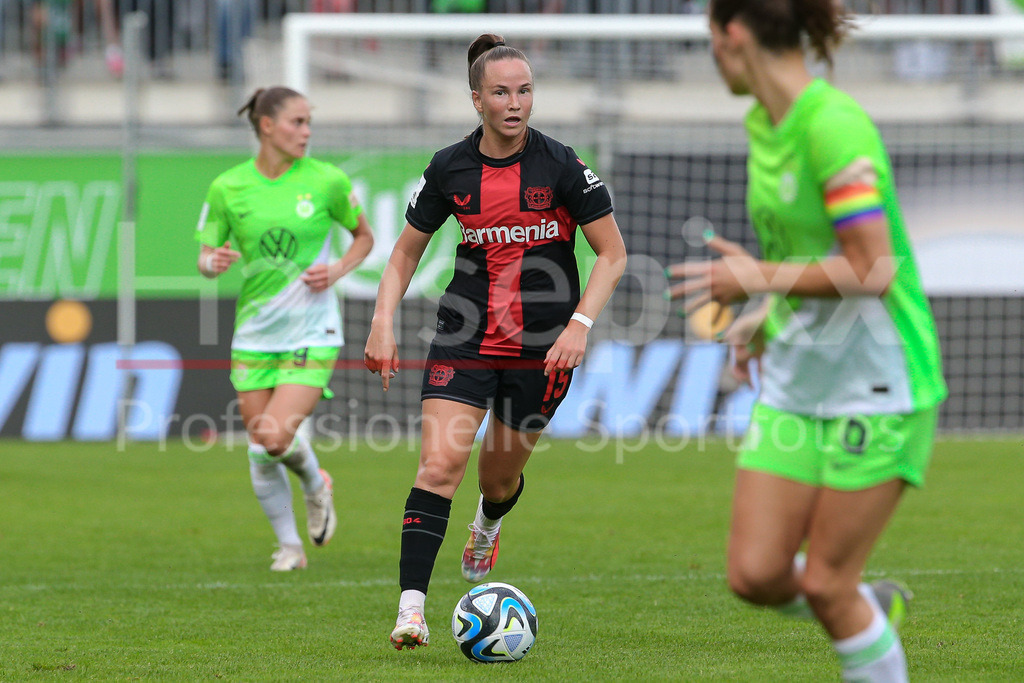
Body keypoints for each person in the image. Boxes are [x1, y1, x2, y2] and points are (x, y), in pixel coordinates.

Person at [666, 2, 947, 681]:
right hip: (799, 382)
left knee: (824, 582)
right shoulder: (765, 124)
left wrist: (754, 277)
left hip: (880, 385)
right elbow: (809, 255)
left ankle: (850, 606)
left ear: (732, 34)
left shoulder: (832, 124)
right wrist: (766, 312)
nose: (709, 50)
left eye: (709, 36)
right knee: (754, 573)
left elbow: (872, 268)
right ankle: (865, 606)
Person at [364, 33, 627, 650]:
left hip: (544, 350)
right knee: (438, 466)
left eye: (526, 90)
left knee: (497, 479)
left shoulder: (562, 165)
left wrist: (579, 326)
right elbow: (405, 254)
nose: (516, 102)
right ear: (476, 100)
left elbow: (612, 255)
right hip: (465, 336)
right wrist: (383, 318)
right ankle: (411, 610)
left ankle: (486, 525)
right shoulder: (449, 167)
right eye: (502, 92)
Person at [195, 86, 374, 572]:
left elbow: (364, 238)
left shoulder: (326, 181)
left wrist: (337, 270)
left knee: (273, 438)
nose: (307, 132)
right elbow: (206, 258)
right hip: (254, 334)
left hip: (313, 331)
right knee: (261, 451)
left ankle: (316, 485)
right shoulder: (228, 188)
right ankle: (290, 548)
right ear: (267, 126)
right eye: (297, 122)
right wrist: (214, 261)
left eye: (308, 122)